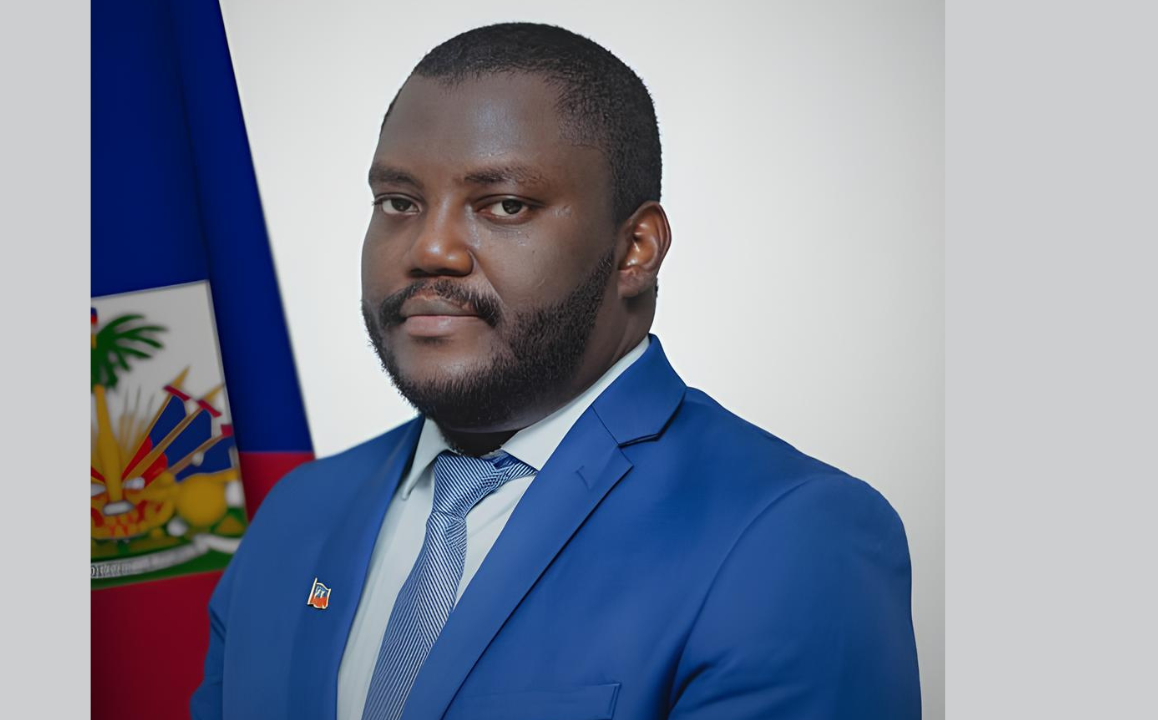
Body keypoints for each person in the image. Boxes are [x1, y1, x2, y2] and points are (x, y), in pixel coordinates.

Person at [192, 22, 920, 720]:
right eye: (399, 202)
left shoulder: (790, 538)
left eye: (505, 205)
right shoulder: (295, 515)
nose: (430, 249)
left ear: (635, 249)